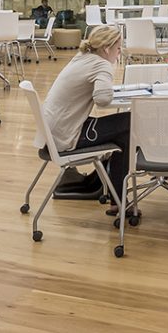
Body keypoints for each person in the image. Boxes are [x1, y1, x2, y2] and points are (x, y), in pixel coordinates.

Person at [40, 26, 132, 213]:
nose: (120, 52)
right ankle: (118, 198)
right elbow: (103, 100)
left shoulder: (81, 57)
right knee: (131, 123)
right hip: (67, 137)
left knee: (124, 130)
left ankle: (114, 193)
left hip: (53, 132)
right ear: (107, 49)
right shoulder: (102, 65)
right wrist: (109, 75)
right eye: (118, 48)